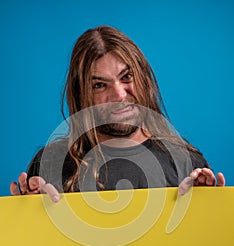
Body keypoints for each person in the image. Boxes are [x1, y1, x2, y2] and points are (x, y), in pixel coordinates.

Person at [10, 25, 225, 202]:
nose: (119, 95)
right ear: (81, 95)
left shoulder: (186, 162)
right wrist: (27, 211)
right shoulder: (50, 165)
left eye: (126, 77)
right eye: (99, 85)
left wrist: (208, 206)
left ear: (144, 80)